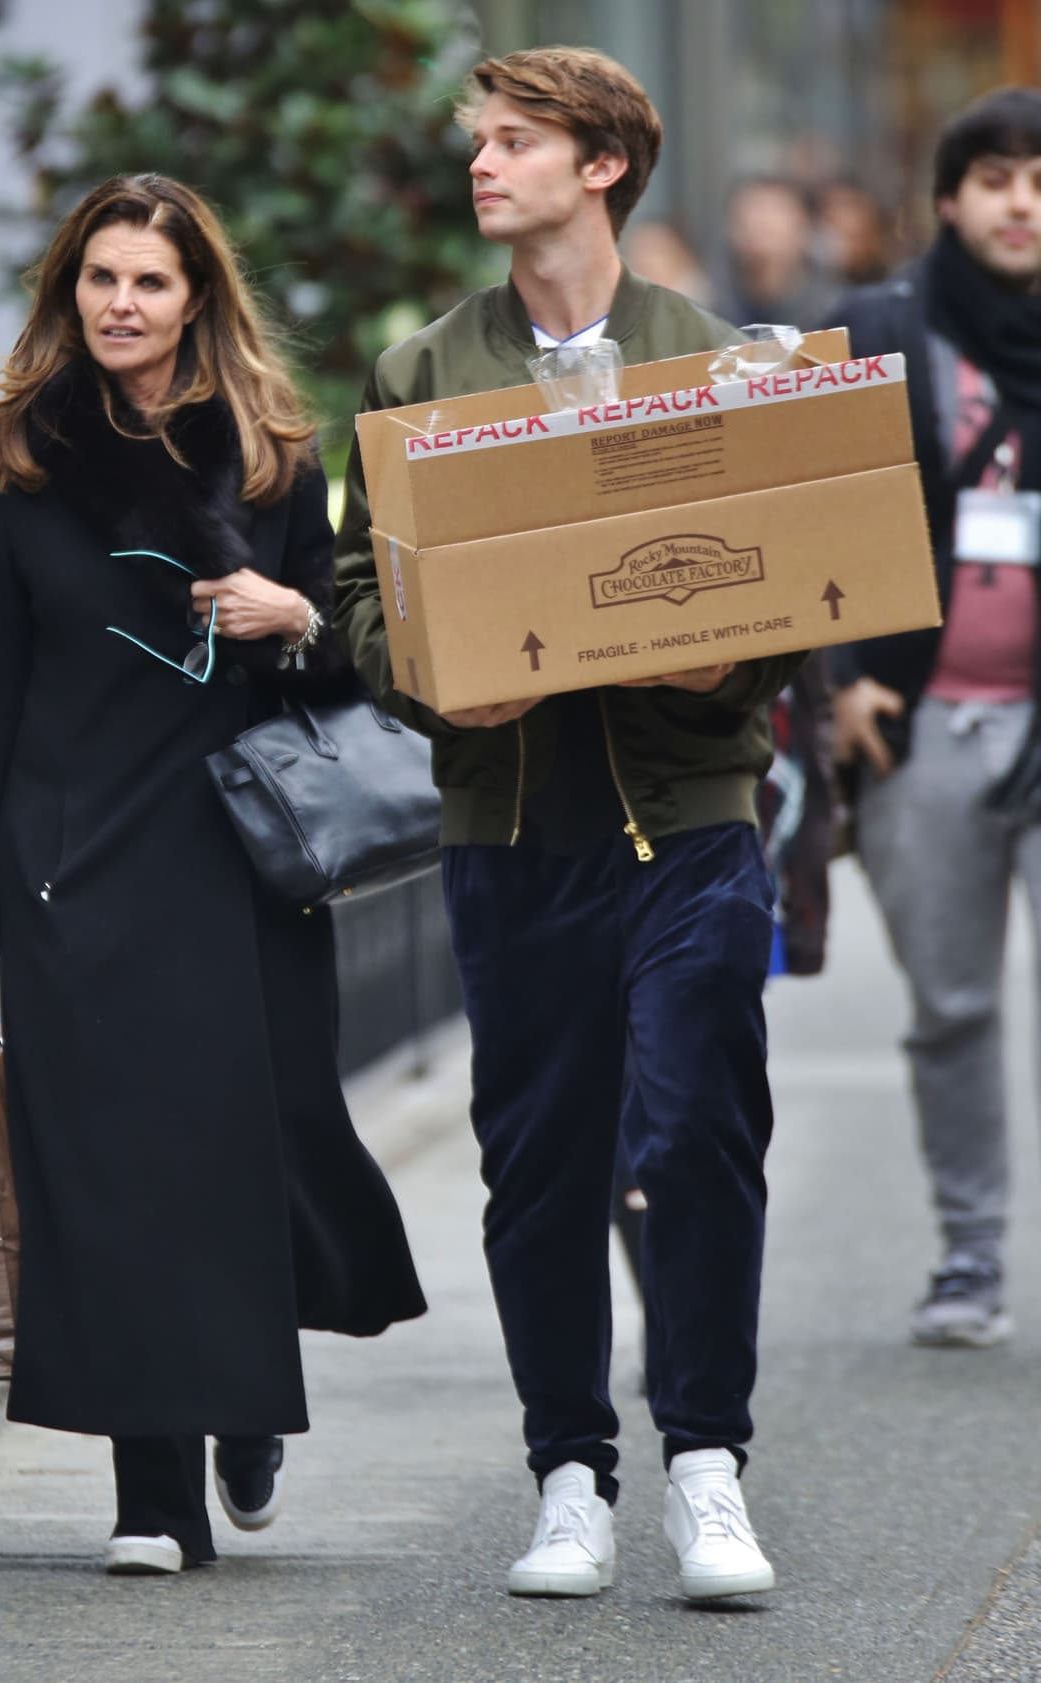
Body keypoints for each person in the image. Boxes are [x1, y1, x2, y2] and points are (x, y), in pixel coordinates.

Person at [0, 173, 426, 1575]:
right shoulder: (18, 471)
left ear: (197, 301)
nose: (121, 303)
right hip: (77, 863)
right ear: (70, 294)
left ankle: (242, 1404)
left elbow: (371, 641)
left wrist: (291, 610)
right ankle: (153, 1498)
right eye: (99, 279)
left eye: (150, 282)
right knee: (111, 1174)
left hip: (240, 853)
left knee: (244, 1147)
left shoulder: (276, 461)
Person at [335, 46, 800, 1603]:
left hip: (696, 812)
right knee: (539, 1163)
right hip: (512, 821)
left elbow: (808, 575)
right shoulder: (419, 376)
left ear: (601, 165)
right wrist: (426, 684)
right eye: (482, 139)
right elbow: (358, 601)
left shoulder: (724, 358)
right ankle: (567, 1475)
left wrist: (743, 649)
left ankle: (706, 1464)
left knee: (697, 1129)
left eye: (515, 139)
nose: (483, 163)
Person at [829, 88, 1041, 1349]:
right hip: (922, 721)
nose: (1023, 202)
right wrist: (841, 671)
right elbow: (803, 516)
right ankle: (968, 1259)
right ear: (950, 200)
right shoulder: (876, 328)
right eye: (997, 176)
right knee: (949, 1005)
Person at [715, 175, 841, 330]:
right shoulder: (712, 311)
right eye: (751, 211)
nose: (759, 221)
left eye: (774, 211)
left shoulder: (834, 311)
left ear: (806, 227)